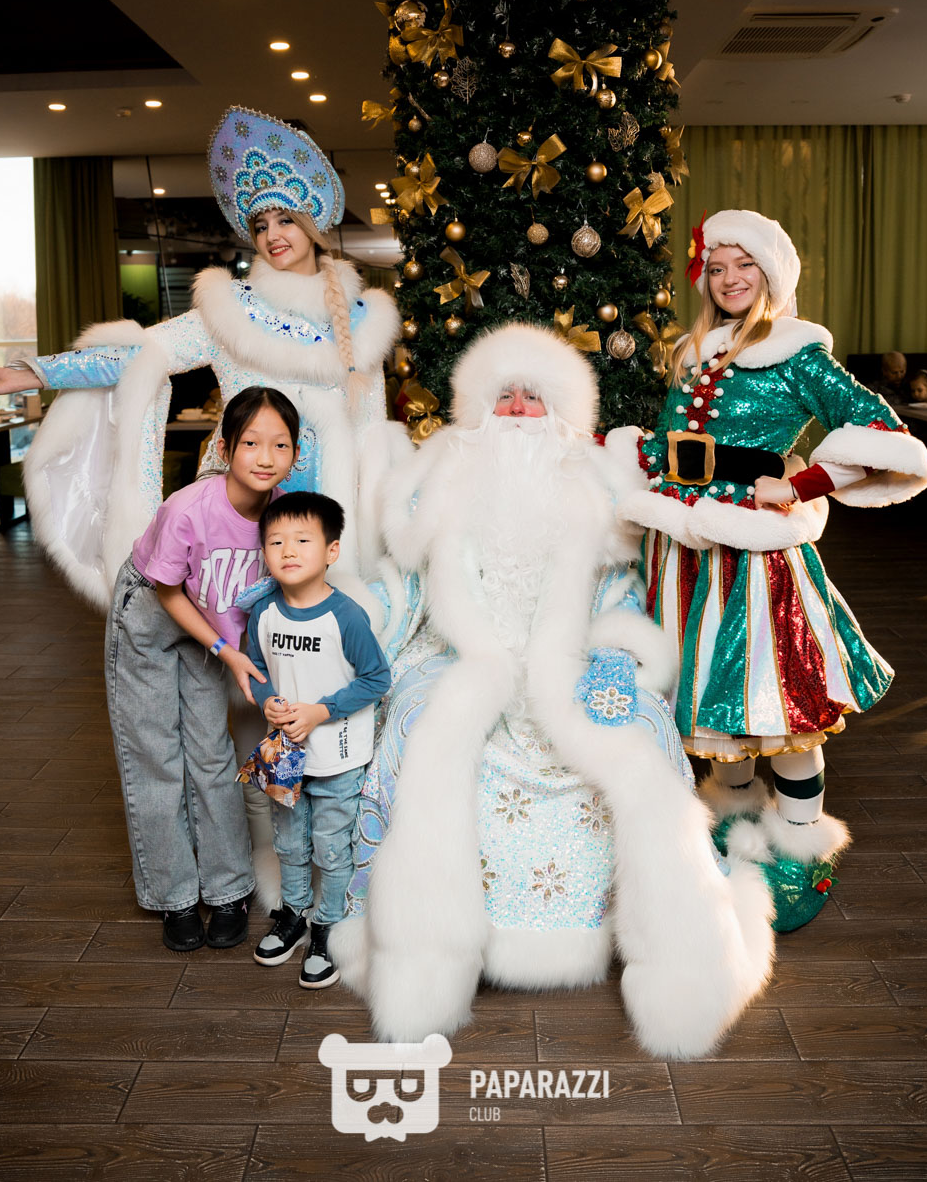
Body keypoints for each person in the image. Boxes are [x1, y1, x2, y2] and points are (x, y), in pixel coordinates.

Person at [0, 108, 400, 896]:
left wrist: (371, 533)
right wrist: (36, 371)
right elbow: (142, 354)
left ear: (313, 222)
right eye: (259, 223)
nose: (272, 235)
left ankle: (311, 862)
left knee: (311, 684)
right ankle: (249, 862)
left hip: (320, 532)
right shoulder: (225, 311)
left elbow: (369, 435)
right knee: (231, 693)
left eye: (285, 219)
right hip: (232, 533)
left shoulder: (362, 322)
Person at [330, 323, 776, 1061]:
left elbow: (620, 591)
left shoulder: (594, 484)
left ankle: (680, 963)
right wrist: (337, 617)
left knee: (642, 735)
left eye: (532, 397)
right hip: (461, 653)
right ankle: (424, 956)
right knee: (417, 727)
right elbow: (401, 587)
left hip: (571, 657)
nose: (515, 410)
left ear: (562, 408)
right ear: (477, 406)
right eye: (502, 395)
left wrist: (615, 657)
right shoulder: (440, 478)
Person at [620, 210, 927, 900]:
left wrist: (798, 485)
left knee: (779, 704)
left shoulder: (797, 352)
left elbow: (881, 429)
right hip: (680, 549)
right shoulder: (692, 350)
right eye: (717, 267)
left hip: (754, 559)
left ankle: (799, 843)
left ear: (770, 273)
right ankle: (734, 821)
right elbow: (671, 441)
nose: (729, 279)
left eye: (745, 265)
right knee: (709, 700)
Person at [106, 385, 301, 952]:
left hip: (212, 630)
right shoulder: (188, 508)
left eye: (280, 445)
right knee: (157, 756)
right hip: (154, 610)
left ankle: (228, 889)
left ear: (296, 453)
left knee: (212, 754)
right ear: (225, 447)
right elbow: (169, 591)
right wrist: (224, 649)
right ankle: (174, 896)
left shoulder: (287, 512)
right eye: (251, 443)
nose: (265, 457)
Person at [245, 492, 391, 987]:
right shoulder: (264, 612)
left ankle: (328, 925)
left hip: (337, 757)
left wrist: (320, 711)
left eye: (302, 540)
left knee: (330, 847)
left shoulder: (346, 616)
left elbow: (376, 679)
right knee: (288, 842)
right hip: (284, 755)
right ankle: (293, 914)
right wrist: (266, 699)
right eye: (276, 542)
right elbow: (257, 670)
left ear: (331, 551)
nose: (288, 550)